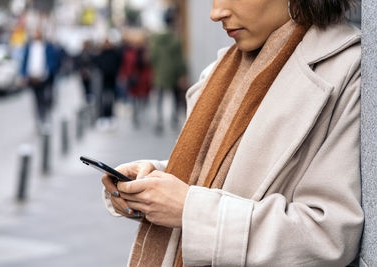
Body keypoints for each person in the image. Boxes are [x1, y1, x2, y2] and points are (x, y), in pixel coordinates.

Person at [101, 0, 363, 266]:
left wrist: (190, 210)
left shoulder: (347, 68)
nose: (216, 13)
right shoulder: (223, 67)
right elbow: (228, 172)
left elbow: (328, 236)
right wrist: (155, 180)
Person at [149, 7, 187, 133]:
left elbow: (152, 57)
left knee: (159, 97)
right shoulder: (175, 39)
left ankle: (159, 120)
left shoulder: (155, 39)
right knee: (175, 97)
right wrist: (182, 74)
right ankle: (174, 119)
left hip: (160, 73)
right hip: (173, 73)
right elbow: (179, 59)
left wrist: (157, 68)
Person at [21, 29, 58, 128]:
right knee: (36, 99)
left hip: (44, 77)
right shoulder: (29, 47)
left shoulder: (47, 46)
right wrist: (24, 74)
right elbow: (25, 61)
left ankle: (45, 117)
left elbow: (53, 61)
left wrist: (47, 72)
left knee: (45, 98)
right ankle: (39, 118)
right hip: (33, 77)